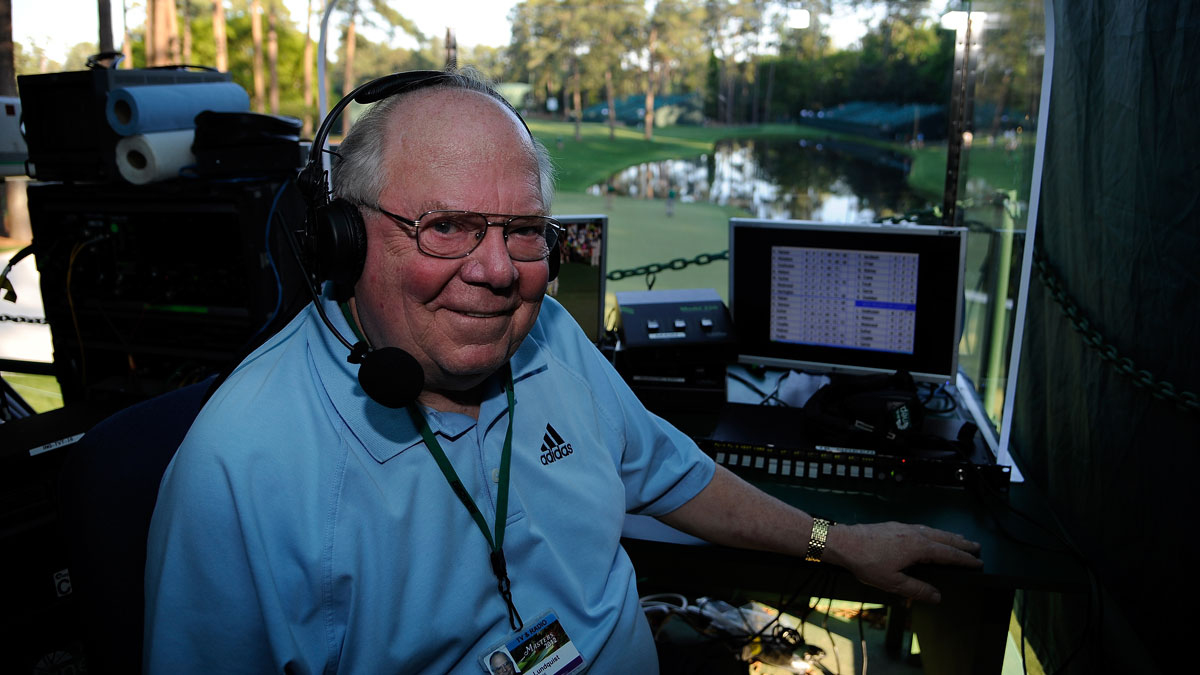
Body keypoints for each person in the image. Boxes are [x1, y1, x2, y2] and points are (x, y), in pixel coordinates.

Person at [143, 69, 982, 673]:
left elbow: (669, 471)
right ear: (343, 239)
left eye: (523, 230)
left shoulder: (544, 333)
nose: (499, 270)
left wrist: (838, 542)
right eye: (447, 226)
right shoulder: (240, 464)